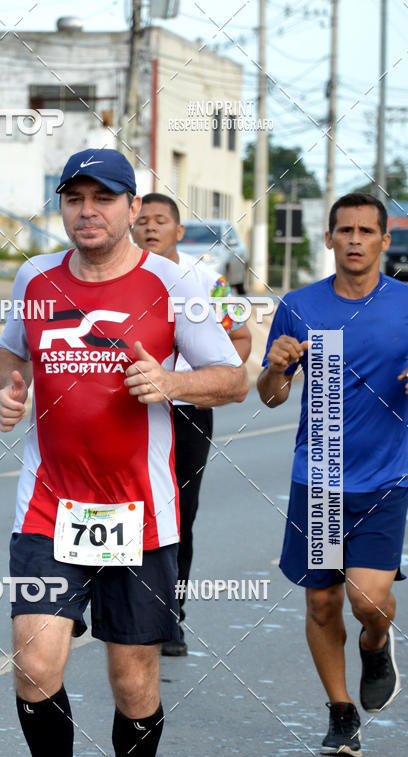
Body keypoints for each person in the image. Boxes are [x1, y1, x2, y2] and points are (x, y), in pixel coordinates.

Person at [0, 148, 248, 757]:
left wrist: (170, 381)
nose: (87, 211)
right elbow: (11, 356)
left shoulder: (176, 282)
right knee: (34, 664)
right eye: (74, 198)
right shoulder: (35, 278)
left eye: (103, 197)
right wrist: (10, 389)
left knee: (133, 681)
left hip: (140, 514)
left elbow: (233, 378)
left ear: (132, 208)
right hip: (50, 505)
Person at [257, 192, 408, 757]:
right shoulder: (299, 306)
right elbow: (271, 397)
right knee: (323, 603)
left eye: (365, 231)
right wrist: (277, 369)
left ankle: (376, 642)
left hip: (385, 476)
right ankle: (340, 711)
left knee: (367, 600)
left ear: (384, 241)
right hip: (319, 478)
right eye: (344, 230)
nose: (354, 240)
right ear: (328, 239)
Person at [132, 193, 252, 655]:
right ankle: (117, 606)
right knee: (124, 510)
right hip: (133, 411)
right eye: (143, 221)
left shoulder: (206, 282)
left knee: (179, 514)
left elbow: (241, 336)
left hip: (188, 413)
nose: (150, 228)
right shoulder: (121, 278)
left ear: (179, 231)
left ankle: (171, 614)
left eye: (160, 220)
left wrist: (203, 379)